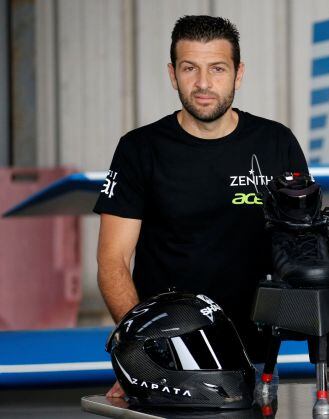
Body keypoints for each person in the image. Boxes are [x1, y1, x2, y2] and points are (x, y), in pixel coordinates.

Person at [94, 15, 308, 398]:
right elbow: (112, 261)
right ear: (173, 74)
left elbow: (308, 253)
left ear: (238, 74)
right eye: (190, 68)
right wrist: (139, 354)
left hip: (256, 359)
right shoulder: (139, 149)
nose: (204, 83)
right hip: (168, 362)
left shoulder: (278, 144)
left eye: (218, 69)